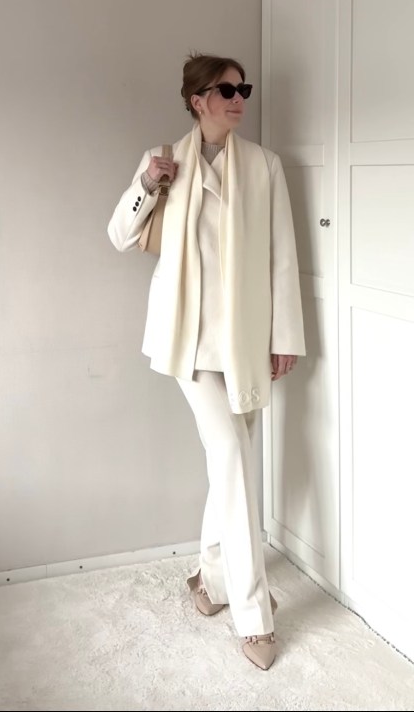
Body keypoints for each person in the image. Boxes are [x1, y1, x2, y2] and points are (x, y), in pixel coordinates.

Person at [107, 52, 305, 670]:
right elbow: (119, 236)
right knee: (234, 459)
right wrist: (147, 186)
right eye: (227, 90)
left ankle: (209, 580)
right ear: (198, 100)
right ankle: (254, 616)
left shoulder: (265, 166)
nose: (239, 99)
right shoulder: (164, 160)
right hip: (188, 341)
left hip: (245, 340)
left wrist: (284, 336)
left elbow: (281, 256)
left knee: (231, 464)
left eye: (244, 89)